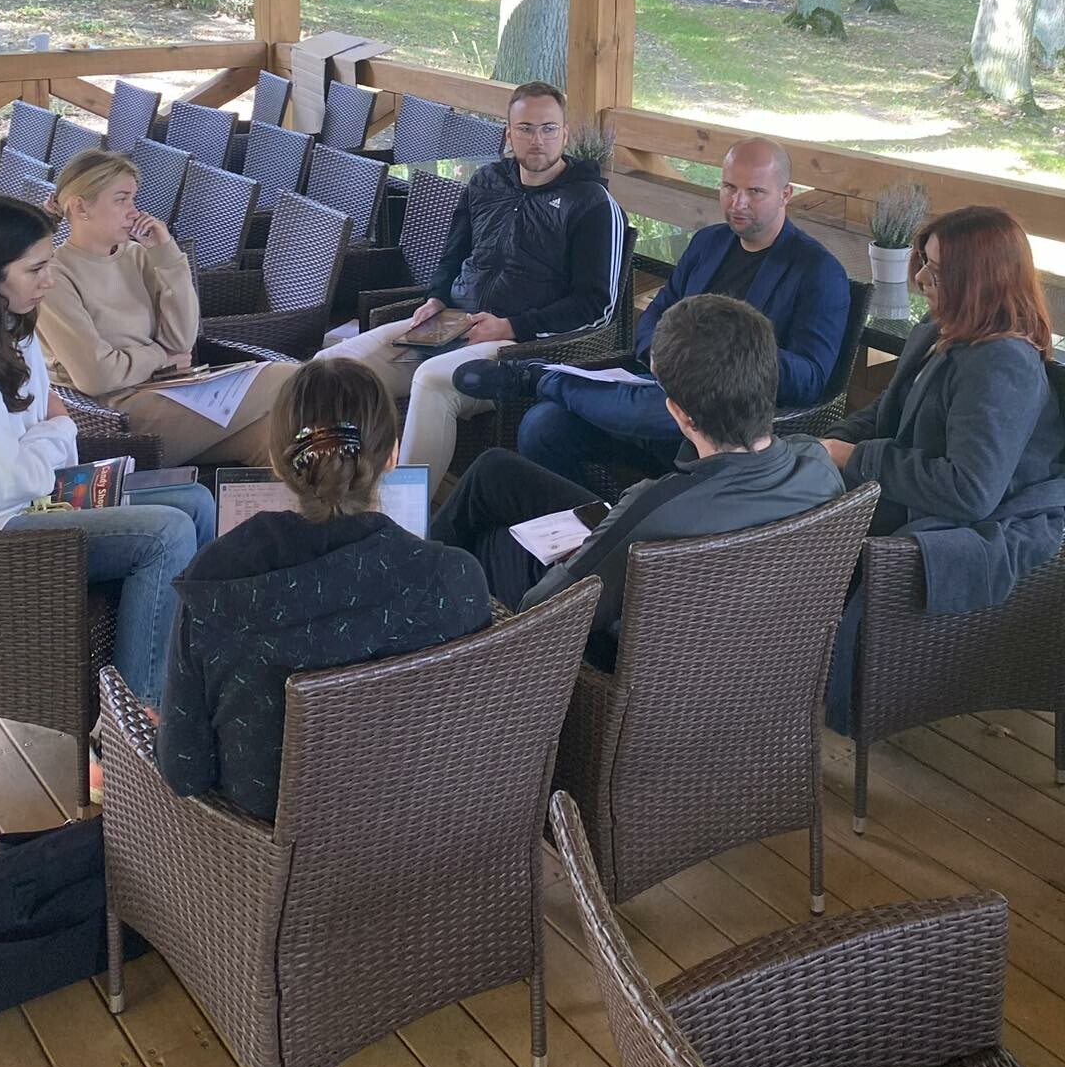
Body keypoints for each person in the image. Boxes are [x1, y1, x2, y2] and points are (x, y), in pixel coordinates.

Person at [0, 196, 214, 716]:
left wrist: (49, 433)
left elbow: (33, 441)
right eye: (36, 269)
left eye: (48, 264)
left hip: (23, 496)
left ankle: (190, 678)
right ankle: (132, 723)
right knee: (164, 534)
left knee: (196, 502)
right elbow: (4, 482)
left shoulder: (7, 318)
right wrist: (58, 428)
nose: (49, 280)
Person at [155, 357, 492, 819]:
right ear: (392, 456)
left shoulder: (214, 581)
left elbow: (184, 770)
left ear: (277, 462)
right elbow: (478, 738)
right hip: (431, 829)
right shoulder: (455, 580)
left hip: (268, 848)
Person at [433, 293, 844, 667]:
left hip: (631, 659)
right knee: (496, 471)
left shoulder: (656, 508)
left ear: (679, 414)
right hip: (732, 644)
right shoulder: (819, 467)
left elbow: (545, 610)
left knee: (490, 543)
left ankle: (434, 632)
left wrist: (569, 564)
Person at [456, 137, 851, 483]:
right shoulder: (709, 243)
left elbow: (812, 379)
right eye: (729, 187)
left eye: (755, 192)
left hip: (725, 420)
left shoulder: (818, 272)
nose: (738, 202)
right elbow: (657, 315)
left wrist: (722, 360)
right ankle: (591, 527)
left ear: (785, 194)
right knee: (542, 426)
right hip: (659, 391)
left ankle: (542, 378)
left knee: (671, 412)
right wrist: (659, 354)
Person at [320, 83, 626, 494]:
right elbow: (453, 256)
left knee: (431, 381)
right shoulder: (486, 182)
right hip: (451, 324)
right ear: (509, 133)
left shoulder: (591, 203)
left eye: (549, 129)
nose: (537, 140)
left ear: (565, 133)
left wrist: (511, 326)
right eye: (526, 128)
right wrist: (435, 298)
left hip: (521, 346)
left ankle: (403, 516)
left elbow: (597, 306)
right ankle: (336, 491)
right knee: (332, 366)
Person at [823, 206, 1065, 614]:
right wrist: (828, 445)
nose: (920, 278)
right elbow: (888, 409)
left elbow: (970, 491)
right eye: (924, 262)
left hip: (954, 515)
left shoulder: (1002, 363)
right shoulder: (942, 328)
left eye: (935, 272)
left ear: (977, 281)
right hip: (903, 491)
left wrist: (855, 457)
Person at [38, 150, 299, 467]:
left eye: (133, 199)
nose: (134, 212)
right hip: (120, 416)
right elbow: (97, 376)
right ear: (81, 207)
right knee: (294, 378)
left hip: (174, 393)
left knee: (282, 442)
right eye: (121, 200)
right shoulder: (54, 276)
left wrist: (166, 255)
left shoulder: (137, 256)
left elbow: (182, 340)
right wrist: (160, 356)